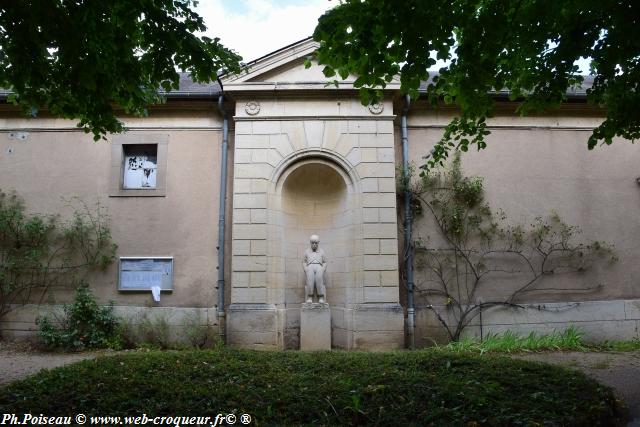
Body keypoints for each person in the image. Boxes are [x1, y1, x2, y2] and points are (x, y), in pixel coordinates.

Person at [302, 234, 327, 303]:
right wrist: (305, 269)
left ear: (318, 243)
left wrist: (323, 269)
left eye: (316, 243)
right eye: (313, 243)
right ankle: (309, 297)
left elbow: (325, 262)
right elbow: (304, 262)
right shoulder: (307, 251)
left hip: (319, 267)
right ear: (310, 243)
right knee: (310, 281)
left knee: (319, 281)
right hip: (310, 267)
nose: (314, 244)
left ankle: (321, 297)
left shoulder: (322, 251)